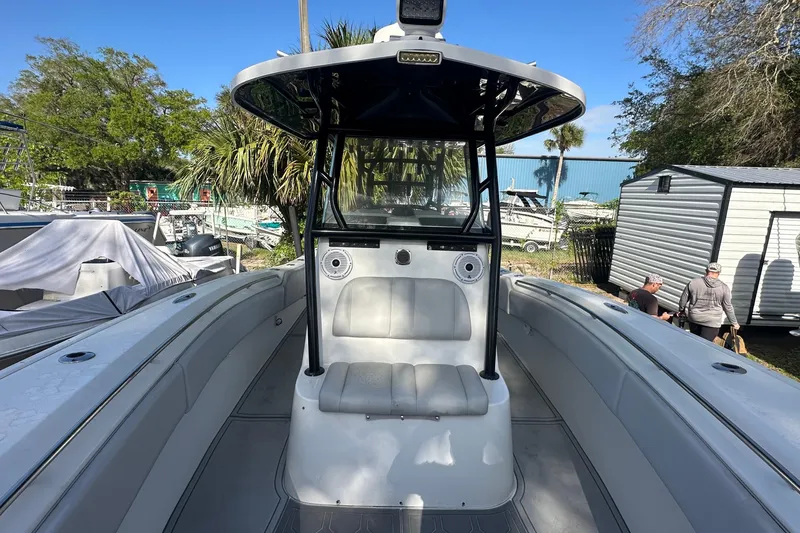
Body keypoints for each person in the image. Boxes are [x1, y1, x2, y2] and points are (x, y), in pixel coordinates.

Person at [679, 262, 739, 341]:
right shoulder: (724, 288)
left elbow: (683, 299)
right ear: (718, 273)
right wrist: (734, 323)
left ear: (706, 271)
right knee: (706, 345)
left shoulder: (693, 283)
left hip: (695, 318)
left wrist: (681, 310)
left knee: (694, 341)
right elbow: (728, 307)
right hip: (712, 321)